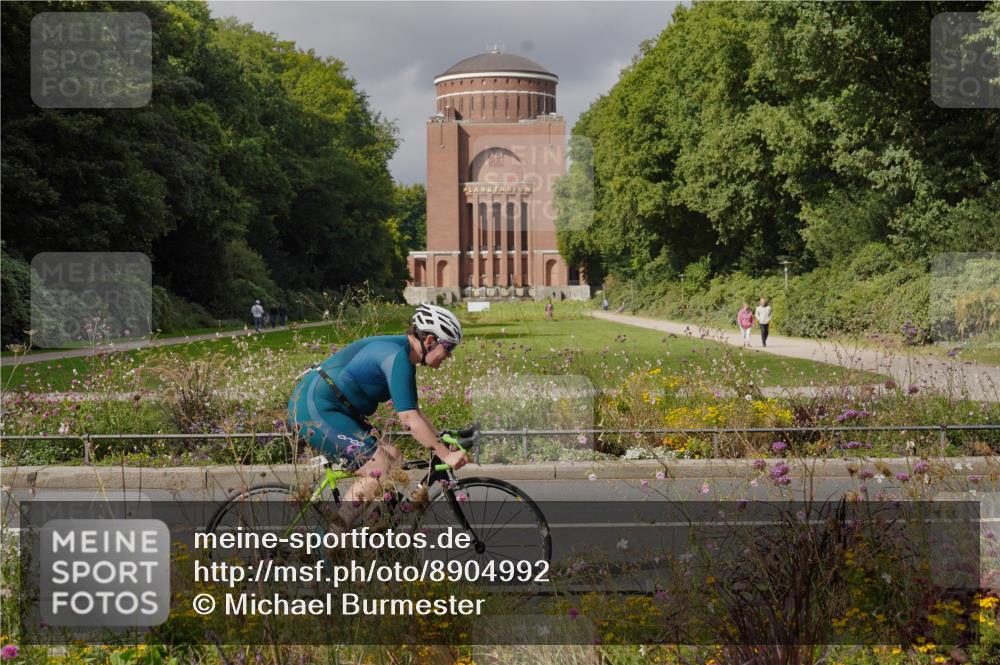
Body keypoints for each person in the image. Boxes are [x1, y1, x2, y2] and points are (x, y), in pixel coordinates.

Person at [287, 303, 468, 525]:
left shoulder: (404, 356)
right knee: (378, 470)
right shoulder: (397, 357)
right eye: (448, 348)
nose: (449, 356)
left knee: (393, 456)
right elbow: (409, 419)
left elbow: (415, 413)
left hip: (338, 409)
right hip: (315, 409)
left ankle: (369, 533)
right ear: (430, 341)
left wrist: (440, 441)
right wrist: (445, 454)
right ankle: (335, 541)